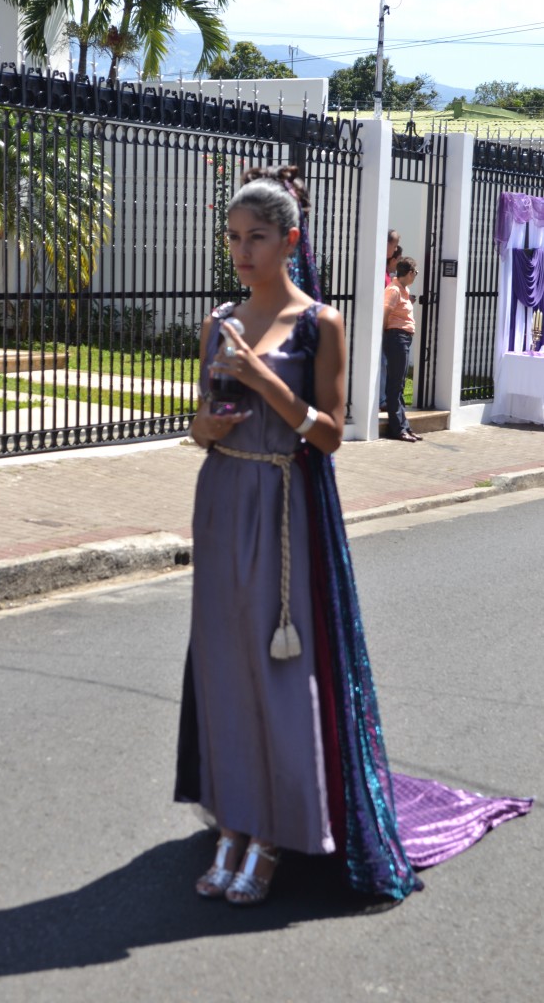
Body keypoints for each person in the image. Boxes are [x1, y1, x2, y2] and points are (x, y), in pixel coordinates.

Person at [175, 166, 531, 907]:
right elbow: (200, 422)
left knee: (282, 669)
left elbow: (331, 435)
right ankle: (232, 822)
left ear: (290, 240)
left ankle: (274, 832)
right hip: (222, 497)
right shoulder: (218, 319)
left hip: (284, 503)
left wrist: (263, 379)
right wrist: (206, 425)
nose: (241, 252)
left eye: (257, 238)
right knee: (224, 664)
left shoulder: (319, 324)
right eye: (234, 238)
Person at [383, 256, 421, 442]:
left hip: (404, 338)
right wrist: (385, 335)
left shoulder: (405, 289)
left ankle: (404, 425)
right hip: (396, 337)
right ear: (409, 272)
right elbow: (386, 313)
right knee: (395, 384)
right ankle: (397, 429)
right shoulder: (394, 290)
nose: (416, 276)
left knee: (400, 384)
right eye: (415, 272)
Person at [379, 231, 400, 409]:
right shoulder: (380, 266)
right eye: (393, 245)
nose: (393, 251)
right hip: (382, 321)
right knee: (382, 363)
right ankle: (381, 399)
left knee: (384, 362)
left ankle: (382, 398)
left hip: (386, 322)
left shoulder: (386, 271)